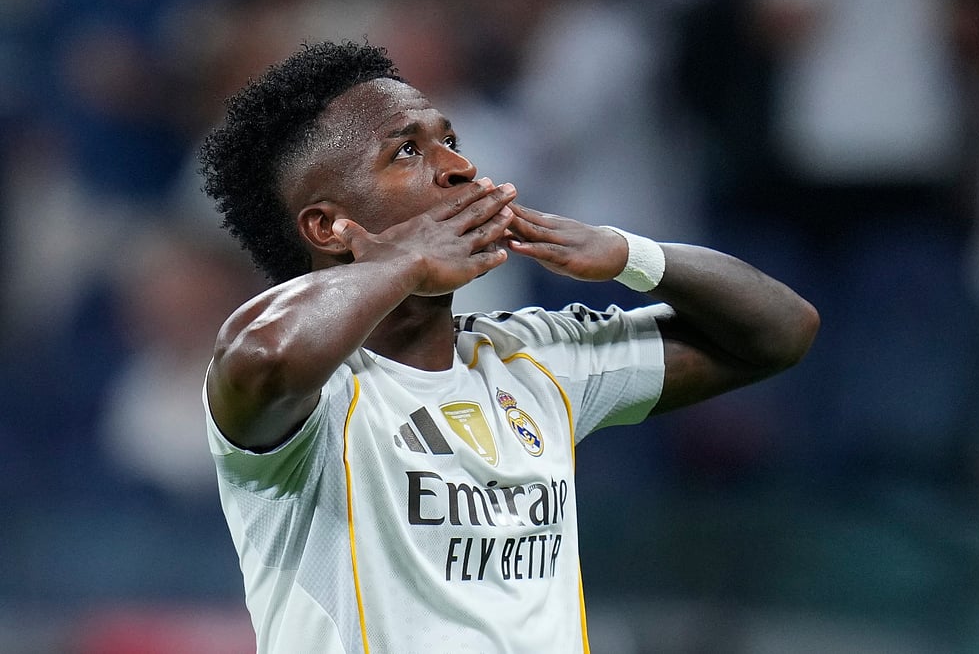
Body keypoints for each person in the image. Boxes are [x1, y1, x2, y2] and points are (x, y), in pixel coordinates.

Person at [198, 40, 819, 654]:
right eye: (407, 151)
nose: (459, 168)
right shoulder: (316, 399)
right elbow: (265, 358)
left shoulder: (534, 359)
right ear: (331, 227)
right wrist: (407, 261)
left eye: (451, 141)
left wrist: (631, 255)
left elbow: (780, 331)